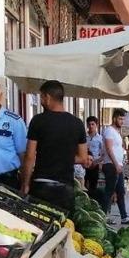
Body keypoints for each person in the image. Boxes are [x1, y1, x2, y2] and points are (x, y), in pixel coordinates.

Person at [20, 80, 89, 212]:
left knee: (40, 225)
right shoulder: (77, 123)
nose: (40, 101)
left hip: (41, 185)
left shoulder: (38, 121)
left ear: (47, 97)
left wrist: (25, 184)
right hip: (65, 188)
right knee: (62, 228)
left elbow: (29, 156)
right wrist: (64, 156)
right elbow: (83, 157)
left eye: (41, 97)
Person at [101, 108, 129, 225]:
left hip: (118, 166)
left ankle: (124, 217)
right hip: (112, 165)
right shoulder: (109, 131)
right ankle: (104, 217)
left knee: (120, 192)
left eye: (123, 119)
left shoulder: (116, 132)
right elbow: (109, 149)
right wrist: (116, 164)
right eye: (120, 119)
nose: (122, 121)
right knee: (109, 191)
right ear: (114, 118)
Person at [84, 116, 104, 193]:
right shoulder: (84, 137)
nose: (91, 126)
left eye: (93, 124)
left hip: (94, 164)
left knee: (93, 185)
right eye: (89, 124)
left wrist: (97, 162)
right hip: (84, 164)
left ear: (96, 125)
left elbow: (103, 153)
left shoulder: (100, 138)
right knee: (84, 184)